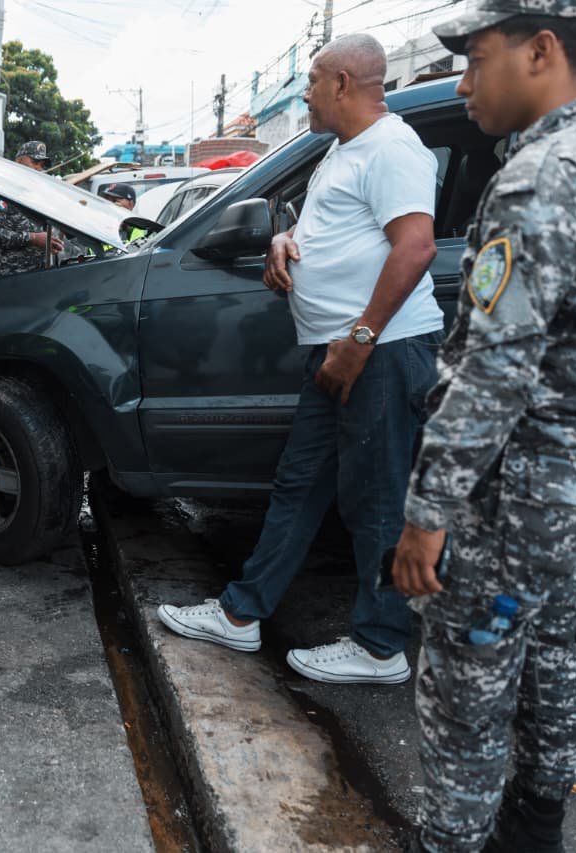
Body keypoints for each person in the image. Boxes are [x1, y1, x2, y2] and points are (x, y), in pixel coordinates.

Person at [392, 0, 576, 848]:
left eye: (478, 58)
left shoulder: (544, 177)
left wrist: (426, 512)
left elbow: (494, 368)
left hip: (509, 490)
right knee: (549, 648)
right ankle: (535, 820)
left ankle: (453, 837)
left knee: (465, 690)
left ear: (543, 50)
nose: (465, 82)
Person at [158, 34, 443, 686]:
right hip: (340, 352)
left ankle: (380, 647)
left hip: (380, 351)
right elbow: (334, 230)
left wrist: (358, 341)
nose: (307, 92)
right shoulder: (344, 152)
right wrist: (286, 242)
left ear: (342, 83)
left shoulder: (392, 148)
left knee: (373, 502)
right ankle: (241, 614)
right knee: (299, 483)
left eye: (313, 80)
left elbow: (416, 248)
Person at [0, 139, 64, 275]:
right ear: (19, 161)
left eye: (42, 165)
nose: (39, 168)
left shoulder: (36, 195)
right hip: (11, 278)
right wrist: (33, 238)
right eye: (35, 162)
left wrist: (51, 242)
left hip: (39, 274)